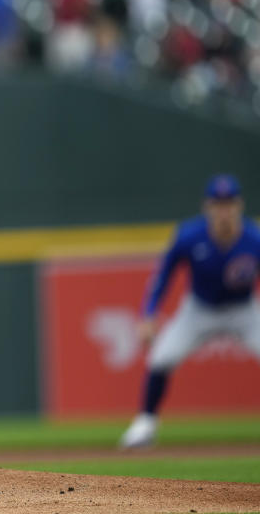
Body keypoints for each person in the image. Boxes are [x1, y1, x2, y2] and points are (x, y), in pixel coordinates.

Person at [119, 174, 260, 448]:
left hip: (244, 310)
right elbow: (163, 276)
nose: (224, 210)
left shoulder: (254, 238)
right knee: (161, 358)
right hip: (199, 310)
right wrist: (148, 313)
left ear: (239, 205)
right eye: (218, 204)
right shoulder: (189, 236)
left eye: (229, 203)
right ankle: (145, 425)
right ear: (207, 207)